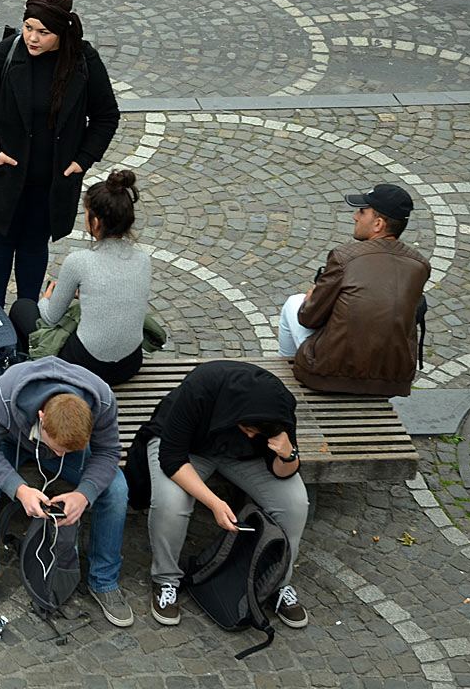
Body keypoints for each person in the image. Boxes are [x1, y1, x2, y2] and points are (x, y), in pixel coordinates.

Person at [0, 0, 120, 308]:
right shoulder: (8, 53)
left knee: (33, 244)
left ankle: (27, 317)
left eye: (43, 32)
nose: (32, 37)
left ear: (61, 31)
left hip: (51, 183)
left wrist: (83, 159)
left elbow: (106, 116)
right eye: (29, 27)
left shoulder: (84, 61)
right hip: (4, 178)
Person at [124, 361, 308, 629]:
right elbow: (171, 458)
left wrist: (287, 452)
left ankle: (278, 582)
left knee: (294, 503)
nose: (252, 433)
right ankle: (166, 579)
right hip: (187, 449)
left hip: (241, 457)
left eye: (257, 432)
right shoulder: (202, 387)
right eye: (248, 428)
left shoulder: (276, 408)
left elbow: (283, 472)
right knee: (171, 503)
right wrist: (214, 503)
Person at [0, 356, 132, 629]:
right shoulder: (4, 394)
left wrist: (84, 494)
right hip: (7, 445)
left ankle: (104, 581)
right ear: (41, 416)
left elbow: (108, 453)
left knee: (117, 490)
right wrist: (20, 489)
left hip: (58, 440)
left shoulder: (103, 400)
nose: (59, 455)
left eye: (66, 452)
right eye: (58, 448)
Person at [277, 183, 430, 396]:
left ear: (378, 224)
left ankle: (284, 374)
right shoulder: (420, 265)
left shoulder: (344, 257)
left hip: (328, 374)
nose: (354, 217)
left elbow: (308, 318)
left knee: (294, 302)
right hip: (392, 382)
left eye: (361, 212)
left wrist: (311, 298)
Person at [9, 170, 150, 385]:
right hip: (129, 364)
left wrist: (45, 298)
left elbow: (50, 317)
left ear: (95, 221)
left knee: (22, 307)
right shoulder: (143, 260)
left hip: (87, 366)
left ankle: (29, 371)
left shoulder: (79, 261)